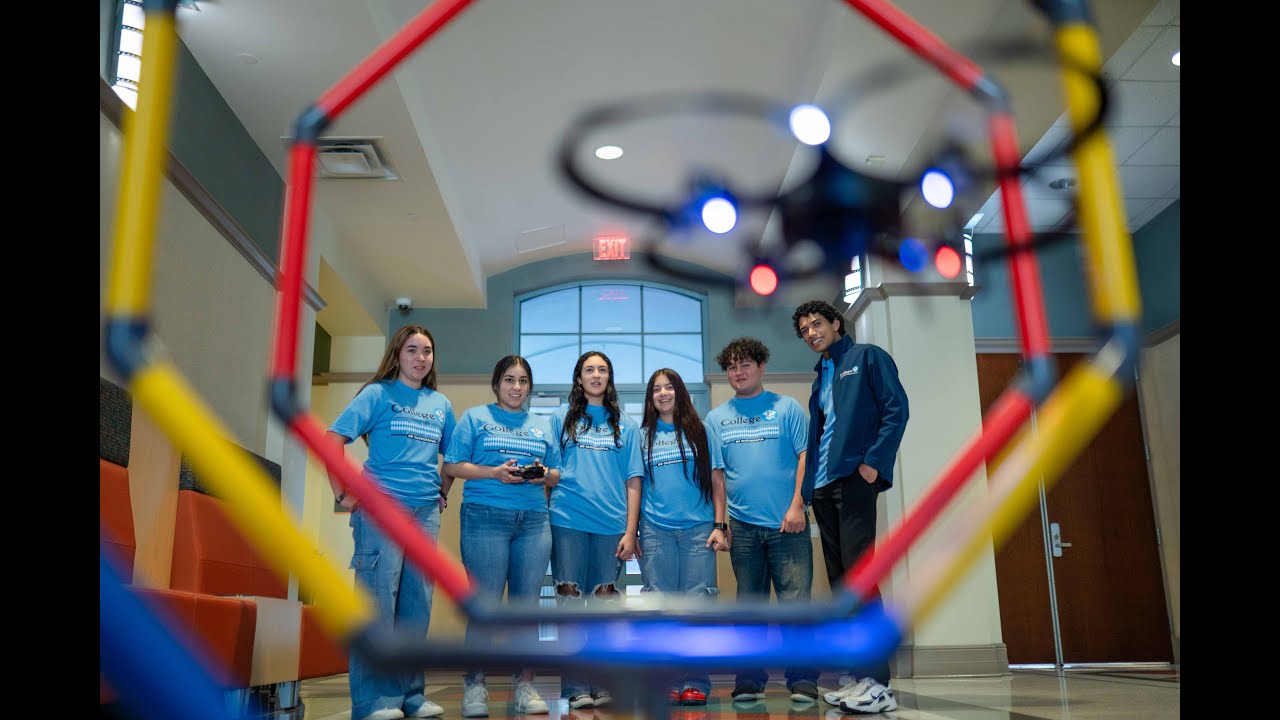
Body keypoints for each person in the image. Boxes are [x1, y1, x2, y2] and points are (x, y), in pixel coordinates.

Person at [326, 325, 456, 720]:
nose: (420, 358)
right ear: (397, 354)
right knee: (377, 605)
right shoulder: (377, 394)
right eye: (412, 349)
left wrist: (442, 492)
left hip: (424, 514)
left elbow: (452, 458)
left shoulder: (440, 404)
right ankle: (373, 701)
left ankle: (410, 696)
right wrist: (342, 494)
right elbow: (333, 439)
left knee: (416, 606)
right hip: (382, 510)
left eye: (427, 351)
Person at [792, 300, 908, 715]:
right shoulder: (821, 375)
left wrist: (874, 463)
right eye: (804, 330)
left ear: (835, 323)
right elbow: (819, 434)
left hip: (854, 481)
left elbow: (896, 410)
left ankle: (879, 683)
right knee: (843, 586)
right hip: (824, 489)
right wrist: (808, 490)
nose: (811, 333)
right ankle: (860, 676)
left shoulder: (866, 357)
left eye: (816, 324)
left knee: (861, 578)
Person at [442, 355, 561, 717]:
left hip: (534, 521)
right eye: (509, 379)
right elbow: (451, 465)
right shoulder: (475, 418)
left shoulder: (542, 425)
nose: (516, 387)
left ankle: (525, 684)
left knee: (526, 608)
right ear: (496, 384)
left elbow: (557, 472)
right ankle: (475, 685)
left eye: (523, 381)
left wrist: (543, 475)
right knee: (485, 606)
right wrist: (493, 473)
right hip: (485, 517)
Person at [705, 337, 820, 705]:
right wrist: (721, 524)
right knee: (749, 609)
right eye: (732, 367)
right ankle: (749, 680)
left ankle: (802, 679)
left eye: (745, 365)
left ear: (761, 367)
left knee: (795, 607)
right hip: (743, 529)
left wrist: (798, 506)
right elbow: (717, 476)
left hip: (789, 525)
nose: (738, 372)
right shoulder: (716, 419)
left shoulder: (787, 408)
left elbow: (806, 458)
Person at [548, 350, 645, 709]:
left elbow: (633, 480)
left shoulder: (626, 425)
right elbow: (550, 474)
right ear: (579, 378)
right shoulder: (560, 419)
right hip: (567, 521)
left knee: (605, 606)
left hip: (611, 525)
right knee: (570, 603)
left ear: (609, 378)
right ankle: (575, 686)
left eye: (602, 370)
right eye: (589, 370)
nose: (596, 375)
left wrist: (631, 532)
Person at [636, 368, 729, 707]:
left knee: (696, 608)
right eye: (656, 389)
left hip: (698, 532)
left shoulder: (702, 431)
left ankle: (695, 681)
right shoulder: (641, 436)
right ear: (650, 397)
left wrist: (720, 526)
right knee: (661, 608)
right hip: (655, 531)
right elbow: (635, 485)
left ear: (680, 392)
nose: (663, 393)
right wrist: (633, 532)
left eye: (669, 387)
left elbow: (717, 481)